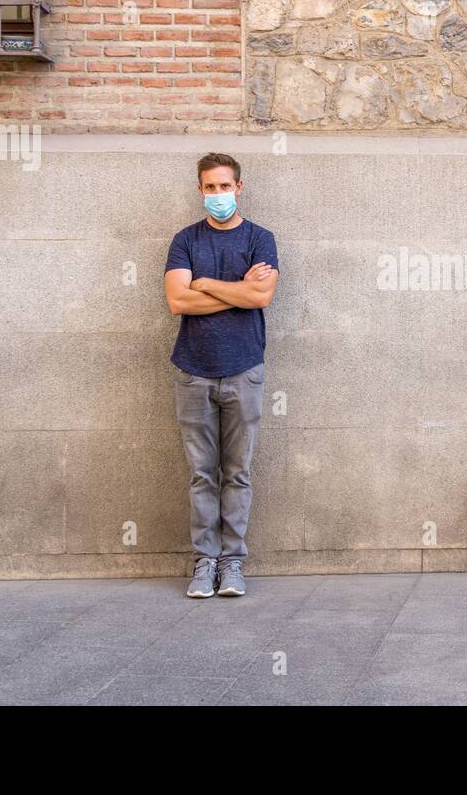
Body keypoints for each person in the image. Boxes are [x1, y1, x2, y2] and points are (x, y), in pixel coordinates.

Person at [164, 152, 279, 598]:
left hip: (244, 369)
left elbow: (261, 297)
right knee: (202, 474)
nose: (218, 194)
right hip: (192, 370)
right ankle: (204, 561)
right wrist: (239, 290)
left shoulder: (260, 239)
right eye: (210, 187)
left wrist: (206, 283)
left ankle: (232, 562)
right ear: (200, 190)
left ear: (239, 187)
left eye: (224, 186)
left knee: (238, 472)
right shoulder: (185, 240)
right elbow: (178, 302)